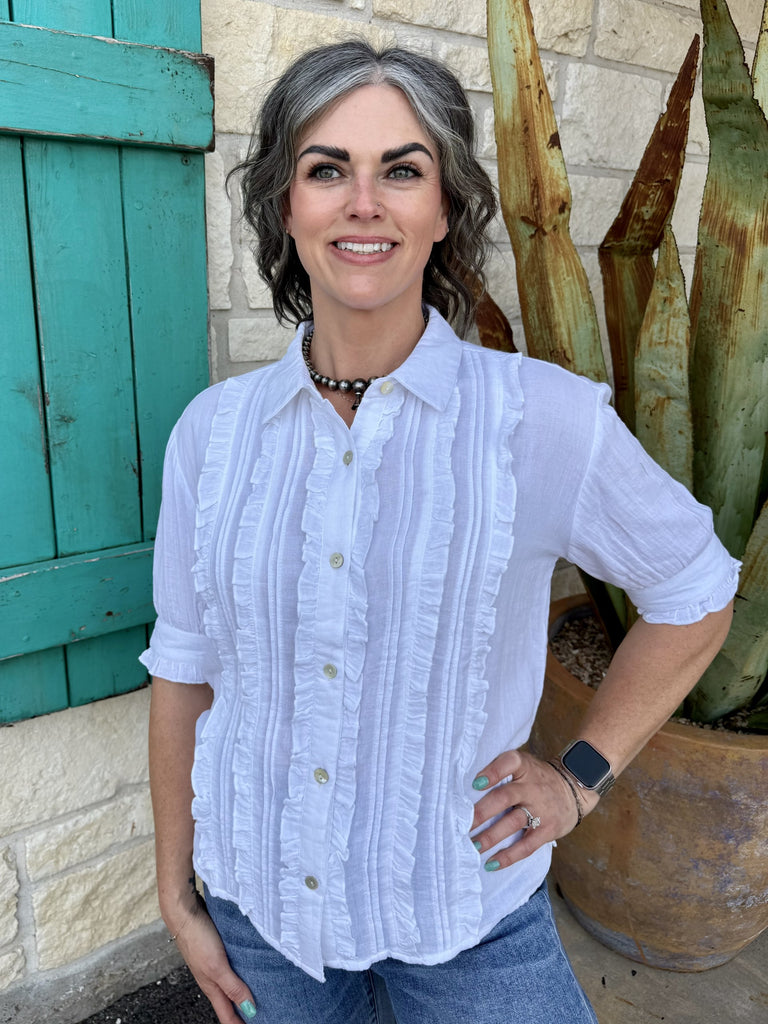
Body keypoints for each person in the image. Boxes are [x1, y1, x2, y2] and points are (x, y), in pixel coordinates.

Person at [142, 40, 738, 1024]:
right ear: (285, 206)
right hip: (261, 918)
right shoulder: (212, 436)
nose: (362, 202)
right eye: (326, 168)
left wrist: (580, 777)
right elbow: (185, 667)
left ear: (446, 208)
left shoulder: (539, 422)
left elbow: (696, 588)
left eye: (402, 170)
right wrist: (176, 890)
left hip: (468, 919)